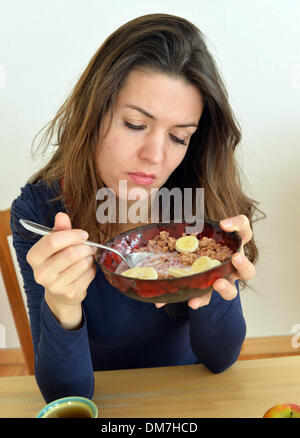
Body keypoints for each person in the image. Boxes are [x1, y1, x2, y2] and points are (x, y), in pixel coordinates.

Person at [10, 13, 263, 403]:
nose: (155, 157)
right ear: (93, 115)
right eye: (134, 125)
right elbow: (66, 396)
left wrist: (218, 279)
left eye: (179, 137)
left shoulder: (198, 197)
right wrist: (62, 305)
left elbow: (220, 360)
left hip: (187, 400)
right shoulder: (41, 211)